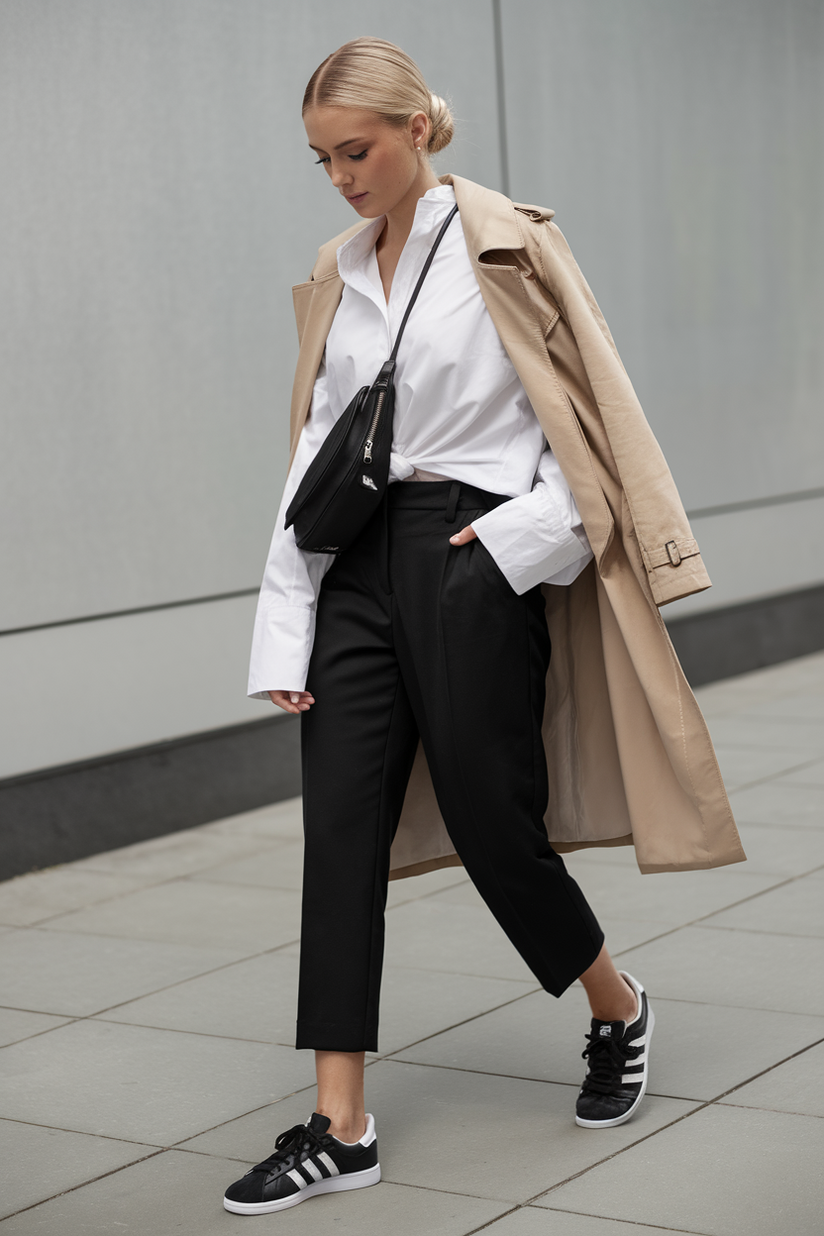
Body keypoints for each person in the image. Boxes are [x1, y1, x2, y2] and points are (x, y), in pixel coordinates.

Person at [223, 37, 744, 1217]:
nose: (341, 176)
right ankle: (339, 1123)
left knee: (490, 820)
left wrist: (516, 546)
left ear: (417, 128)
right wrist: (284, 623)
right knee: (340, 830)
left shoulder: (509, 241)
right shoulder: (338, 266)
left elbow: (593, 412)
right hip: (350, 559)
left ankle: (615, 1006)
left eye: (355, 151)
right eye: (321, 160)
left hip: (471, 551)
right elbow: (315, 449)